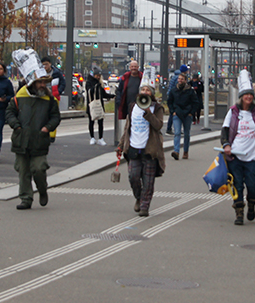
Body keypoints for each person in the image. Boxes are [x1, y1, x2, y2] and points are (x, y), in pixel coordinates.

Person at [221, 70, 255, 225]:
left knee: (251, 184)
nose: (249, 97)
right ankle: (239, 212)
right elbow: (224, 130)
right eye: (246, 94)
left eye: (251, 94)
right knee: (236, 184)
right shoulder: (233, 112)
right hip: (235, 155)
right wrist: (226, 145)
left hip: (252, 156)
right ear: (241, 96)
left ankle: (251, 203)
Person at [5, 73, 61, 210]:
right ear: (32, 83)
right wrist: (16, 125)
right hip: (21, 140)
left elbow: (55, 117)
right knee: (23, 171)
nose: (43, 85)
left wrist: (47, 128)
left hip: (39, 140)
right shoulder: (20, 96)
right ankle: (26, 198)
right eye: (40, 82)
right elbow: (9, 112)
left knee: (39, 168)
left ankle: (42, 189)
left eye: (44, 82)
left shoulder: (49, 99)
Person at [117, 73, 165, 217]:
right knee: (133, 176)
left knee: (148, 180)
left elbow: (158, 125)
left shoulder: (157, 108)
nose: (145, 92)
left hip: (149, 149)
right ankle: (139, 197)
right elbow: (127, 127)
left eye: (148, 90)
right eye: (143, 90)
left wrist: (148, 113)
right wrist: (121, 145)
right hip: (133, 147)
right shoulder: (132, 107)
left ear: (152, 93)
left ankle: (145, 205)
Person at [167, 72, 200, 160]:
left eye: (182, 79)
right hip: (177, 113)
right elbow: (169, 101)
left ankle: (185, 151)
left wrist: (191, 113)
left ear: (185, 80)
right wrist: (172, 111)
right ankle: (176, 151)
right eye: (179, 79)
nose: (180, 80)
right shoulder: (174, 90)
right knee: (177, 132)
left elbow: (195, 102)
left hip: (187, 114)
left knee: (186, 133)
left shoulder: (190, 91)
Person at [85, 67, 114, 146]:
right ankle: (92, 137)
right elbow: (89, 91)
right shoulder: (89, 82)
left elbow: (103, 94)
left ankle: (101, 138)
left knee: (100, 122)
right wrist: (96, 86)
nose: (98, 77)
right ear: (94, 75)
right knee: (91, 121)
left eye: (99, 75)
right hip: (91, 104)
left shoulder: (100, 83)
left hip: (99, 104)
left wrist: (112, 96)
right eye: (97, 75)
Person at [165, 64, 189, 134]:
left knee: (173, 113)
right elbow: (178, 88)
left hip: (171, 95)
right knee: (174, 113)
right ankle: (169, 129)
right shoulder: (179, 78)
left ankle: (173, 128)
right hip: (174, 97)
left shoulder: (175, 76)